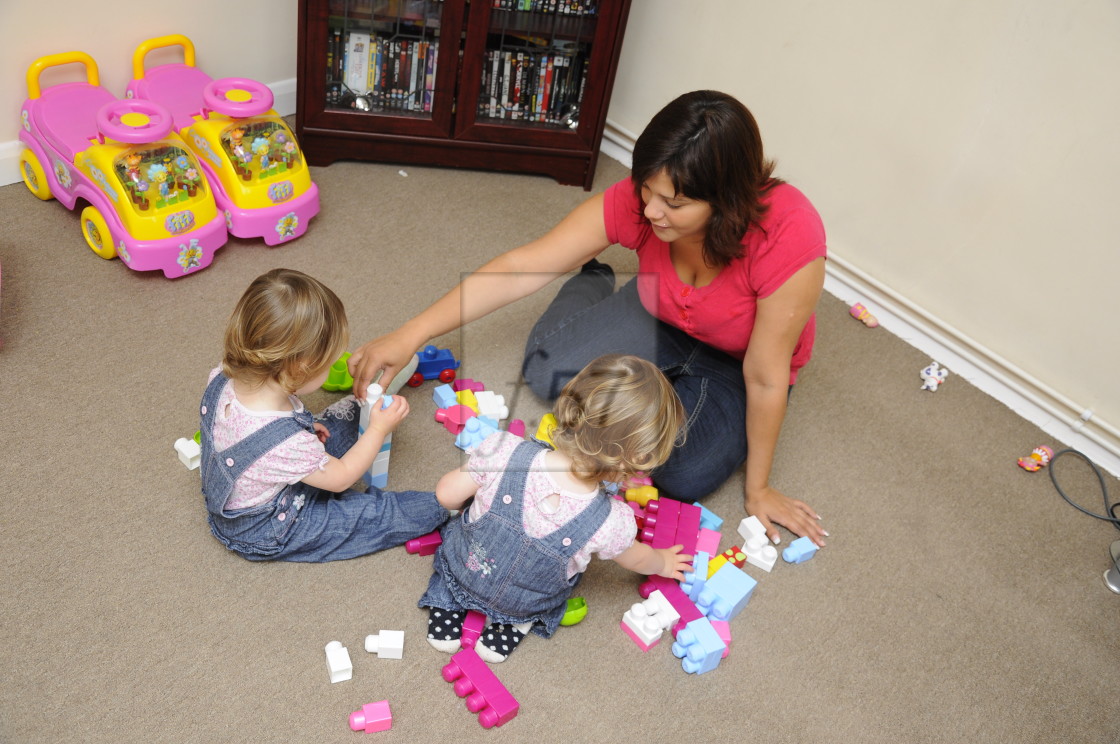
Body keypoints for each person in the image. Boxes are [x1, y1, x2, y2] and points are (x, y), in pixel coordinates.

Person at [349, 90, 828, 548]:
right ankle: (592, 281)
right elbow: (522, 267)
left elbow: (766, 377)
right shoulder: (645, 201)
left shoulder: (789, 232)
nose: (650, 210)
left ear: (726, 201)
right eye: (646, 189)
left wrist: (759, 489)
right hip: (656, 312)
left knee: (681, 472)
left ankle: (659, 385)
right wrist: (411, 333)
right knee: (545, 370)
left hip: (736, 361)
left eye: (674, 204)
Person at [420, 354, 691, 662]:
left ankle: (446, 607)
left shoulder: (504, 452)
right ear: (637, 462)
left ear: (571, 408)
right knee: (547, 590)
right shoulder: (611, 522)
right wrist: (663, 563)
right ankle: (514, 623)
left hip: (467, 567)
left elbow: (446, 495)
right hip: (526, 599)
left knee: (453, 558)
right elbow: (635, 558)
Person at [198, 268, 447, 562]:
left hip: (268, 464)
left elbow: (250, 435)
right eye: (330, 362)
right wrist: (378, 430)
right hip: (264, 527)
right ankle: (447, 503)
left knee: (348, 414)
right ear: (302, 368)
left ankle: (386, 383)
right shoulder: (286, 444)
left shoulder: (221, 376)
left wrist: (304, 428)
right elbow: (341, 479)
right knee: (371, 515)